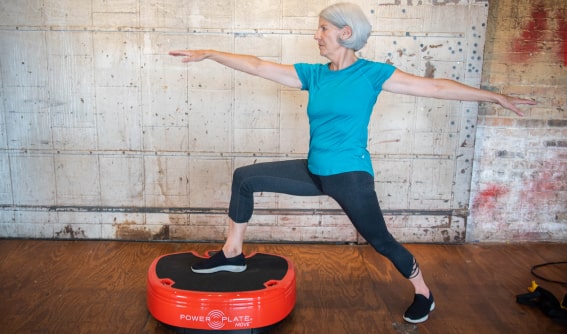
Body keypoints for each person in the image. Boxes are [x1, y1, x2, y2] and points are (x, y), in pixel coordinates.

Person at [170, 2, 535, 324]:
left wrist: (495, 97)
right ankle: (232, 254)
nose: (317, 36)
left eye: (323, 29)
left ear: (346, 33)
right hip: (315, 171)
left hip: (349, 177)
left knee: (381, 241)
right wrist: (210, 53)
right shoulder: (314, 74)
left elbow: (437, 88)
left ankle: (423, 292)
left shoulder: (373, 74)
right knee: (245, 178)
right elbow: (258, 65)